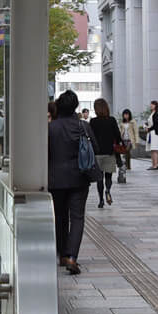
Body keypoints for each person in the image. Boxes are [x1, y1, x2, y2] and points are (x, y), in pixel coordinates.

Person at [46, 90, 93, 274]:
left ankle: (62, 255)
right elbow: (94, 148)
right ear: (75, 106)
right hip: (80, 178)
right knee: (77, 217)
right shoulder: (83, 127)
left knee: (59, 216)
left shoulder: (51, 128)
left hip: (55, 179)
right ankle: (72, 257)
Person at [88, 98, 121, 209]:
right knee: (108, 177)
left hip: (97, 153)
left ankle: (101, 200)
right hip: (109, 153)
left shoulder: (93, 121)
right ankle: (108, 190)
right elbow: (117, 135)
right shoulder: (111, 120)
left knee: (99, 178)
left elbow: (90, 137)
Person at [118, 107, 140, 182]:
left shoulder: (133, 122)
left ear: (129, 115)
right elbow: (120, 131)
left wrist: (137, 140)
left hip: (130, 140)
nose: (126, 116)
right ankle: (127, 166)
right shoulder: (122, 123)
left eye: (127, 114)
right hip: (123, 139)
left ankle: (127, 166)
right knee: (126, 152)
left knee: (127, 151)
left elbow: (136, 131)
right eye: (124, 115)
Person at [146, 99, 158, 169]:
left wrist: (149, 128)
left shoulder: (156, 114)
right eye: (151, 104)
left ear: (156, 106)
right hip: (151, 133)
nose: (151, 105)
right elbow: (150, 123)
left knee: (154, 149)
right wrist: (146, 125)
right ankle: (153, 164)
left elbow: (156, 125)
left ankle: (155, 165)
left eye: (152, 104)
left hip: (154, 133)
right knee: (152, 150)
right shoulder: (152, 114)